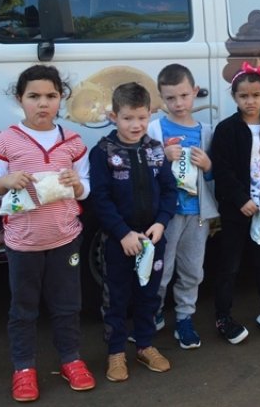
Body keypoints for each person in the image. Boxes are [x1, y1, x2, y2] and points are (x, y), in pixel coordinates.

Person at [0, 65, 94, 402]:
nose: (42, 104)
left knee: (67, 306)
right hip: (23, 242)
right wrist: (5, 182)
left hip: (65, 237)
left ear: (61, 99)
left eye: (50, 96)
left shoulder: (73, 142)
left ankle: (71, 359)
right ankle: (24, 368)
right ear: (20, 99)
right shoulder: (6, 141)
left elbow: (86, 187)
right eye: (34, 96)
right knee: (24, 309)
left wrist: (78, 185)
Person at [88, 82, 177, 381]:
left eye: (142, 117)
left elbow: (169, 190)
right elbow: (99, 198)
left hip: (153, 239)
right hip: (119, 242)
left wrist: (161, 222)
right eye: (128, 118)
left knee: (149, 296)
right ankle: (115, 353)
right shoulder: (102, 152)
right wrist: (122, 233)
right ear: (114, 117)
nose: (136, 125)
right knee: (116, 298)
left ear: (149, 115)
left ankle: (145, 346)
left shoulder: (155, 149)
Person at [209, 63, 260, 342]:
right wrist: (239, 199)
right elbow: (221, 170)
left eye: (256, 95)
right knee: (229, 264)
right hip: (236, 210)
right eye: (243, 96)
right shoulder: (226, 130)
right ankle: (223, 315)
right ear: (234, 98)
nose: (250, 101)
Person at [146, 64, 218, 350]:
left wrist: (209, 165)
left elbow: (214, 176)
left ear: (195, 92)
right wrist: (161, 156)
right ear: (162, 99)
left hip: (197, 214)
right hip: (166, 215)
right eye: (171, 98)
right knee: (161, 269)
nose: (178, 103)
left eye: (184, 96)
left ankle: (185, 318)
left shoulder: (206, 131)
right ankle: (152, 314)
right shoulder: (154, 128)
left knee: (192, 270)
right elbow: (142, 168)